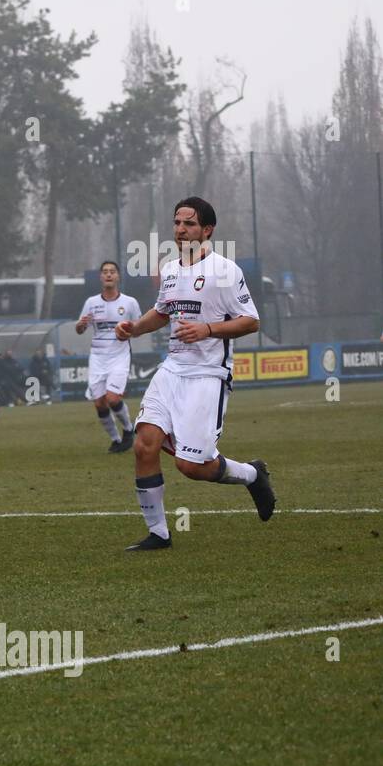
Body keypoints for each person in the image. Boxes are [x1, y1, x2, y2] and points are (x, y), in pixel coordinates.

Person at [115, 197, 276, 551]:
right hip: (172, 370)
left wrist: (208, 330)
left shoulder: (226, 270)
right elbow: (162, 312)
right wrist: (134, 328)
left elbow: (251, 321)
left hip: (207, 375)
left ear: (207, 231)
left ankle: (252, 474)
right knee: (144, 445)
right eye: (177, 223)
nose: (181, 230)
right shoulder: (171, 270)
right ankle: (158, 533)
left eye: (189, 224)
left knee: (192, 466)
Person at [76, 261, 143, 453]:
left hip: (119, 357)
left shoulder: (130, 303)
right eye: (105, 272)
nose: (108, 275)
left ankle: (129, 430)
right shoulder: (91, 303)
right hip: (97, 357)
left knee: (113, 398)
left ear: (118, 276)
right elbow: (80, 329)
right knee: (99, 403)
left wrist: (128, 332)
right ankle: (116, 439)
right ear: (100, 277)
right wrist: (81, 324)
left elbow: (139, 329)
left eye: (112, 272)